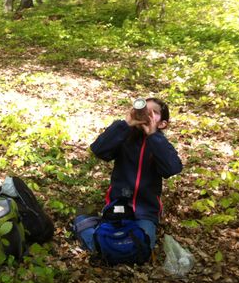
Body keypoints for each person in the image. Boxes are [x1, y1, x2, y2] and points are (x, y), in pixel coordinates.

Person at [75, 98, 183, 251]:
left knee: (140, 248)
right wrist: (126, 124)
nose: (148, 115)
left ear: (162, 124)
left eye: (154, 113)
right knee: (106, 246)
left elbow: (172, 168)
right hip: (117, 206)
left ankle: (87, 225)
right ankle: (88, 225)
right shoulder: (124, 135)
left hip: (145, 212)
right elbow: (99, 150)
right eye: (146, 110)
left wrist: (153, 135)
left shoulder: (160, 144)